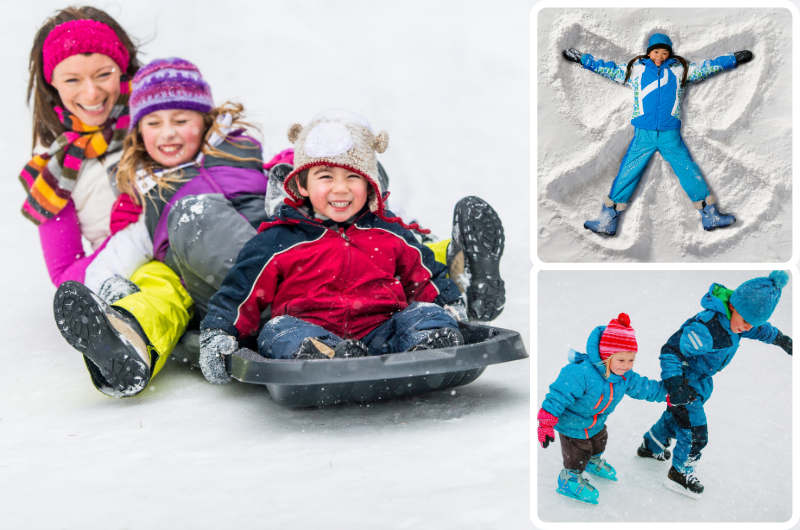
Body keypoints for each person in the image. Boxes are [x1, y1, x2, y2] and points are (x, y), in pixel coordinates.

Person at [52, 58, 268, 397]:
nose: (168, 132)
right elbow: (111, 258)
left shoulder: (243, 155)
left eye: (181, 120)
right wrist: (110, 287)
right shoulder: (149, 200)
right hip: (222, 293)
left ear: (205, 120)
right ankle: (126, 338)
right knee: (180, 237)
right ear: (139, 133)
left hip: (283, 263)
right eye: (153, 122)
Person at [199, 110, 466, 383]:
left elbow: (425, 275)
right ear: (302, 184)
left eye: (353, 176)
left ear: (369, 183)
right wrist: (218, 333)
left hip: (382, 332)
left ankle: (428, 347)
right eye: (325, 176)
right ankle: (326, 358)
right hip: (309, 331)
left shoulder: (388, 232)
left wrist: (450, 305)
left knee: (425, 314)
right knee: (277, 332)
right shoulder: (279, 239)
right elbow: (240, 293)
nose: (340, 188)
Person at [562, 33, 753, 235]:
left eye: (664, 52)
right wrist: (583, 59)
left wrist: (732, 59)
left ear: (669, 53)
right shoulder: (636, 70)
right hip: (643, 134)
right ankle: (607, 219)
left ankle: (710, 214)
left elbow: (708, 66)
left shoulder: (680, 71)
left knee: (687, 170)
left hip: (669, 134)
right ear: (649, 52)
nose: (659, 56)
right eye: (655, 52)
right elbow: (608, 69)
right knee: (628, 172)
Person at [637, 271, 792, 498]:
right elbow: (671, 350)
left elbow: (761, 330)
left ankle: (651, 445)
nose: (748, 328)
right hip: (686, 383)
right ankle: (680, 474)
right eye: (746, 322)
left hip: (700, 382)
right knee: (695, 431)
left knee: (678, 417)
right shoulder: (708, 329)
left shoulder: (738, 320)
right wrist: (676, 385)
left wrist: (781, 339)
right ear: (734, 306)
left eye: (752, 324)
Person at [20, 7, 141, 284]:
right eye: (72, 80)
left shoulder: (162, 123)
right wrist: (133, 246)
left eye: (103, 74)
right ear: (52, 84)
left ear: (122, 69)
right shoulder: (56, 173)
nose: (91, 93)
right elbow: (66, 276)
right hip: (135, 283)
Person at [537, 313, 666, 505]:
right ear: (607, 357)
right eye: (621, 360)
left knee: (599, 442)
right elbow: (557, 396)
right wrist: (545, 424)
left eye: (631, 360)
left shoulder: (625, 376)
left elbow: (644, 387)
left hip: (596, 421)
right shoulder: (580, 373)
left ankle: (592, 461)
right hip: (572, 424)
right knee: (578, 452)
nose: (626, 366)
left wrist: (669, 393)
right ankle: (569, 479)